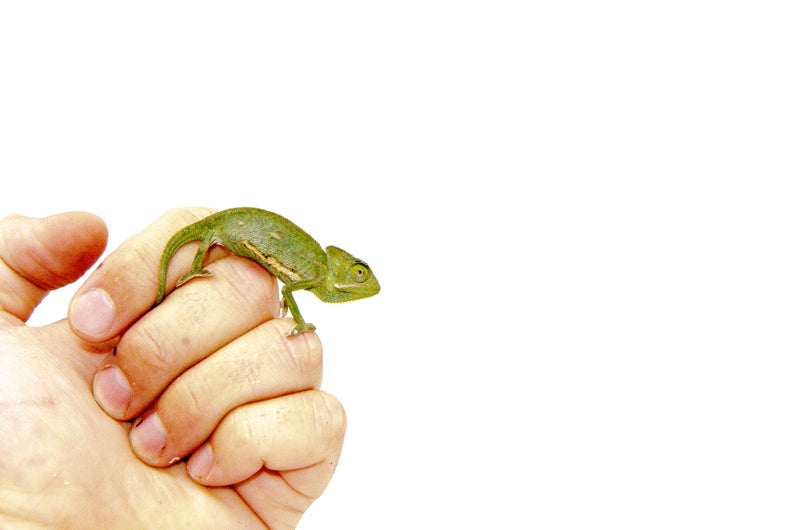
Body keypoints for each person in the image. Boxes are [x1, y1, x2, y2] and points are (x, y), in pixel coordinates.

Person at [0, 208, 346, 528]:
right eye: (358, 274)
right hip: (225, 233)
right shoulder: (314, 270)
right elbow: (291, 289)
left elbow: (290, 288)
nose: (359, 281)